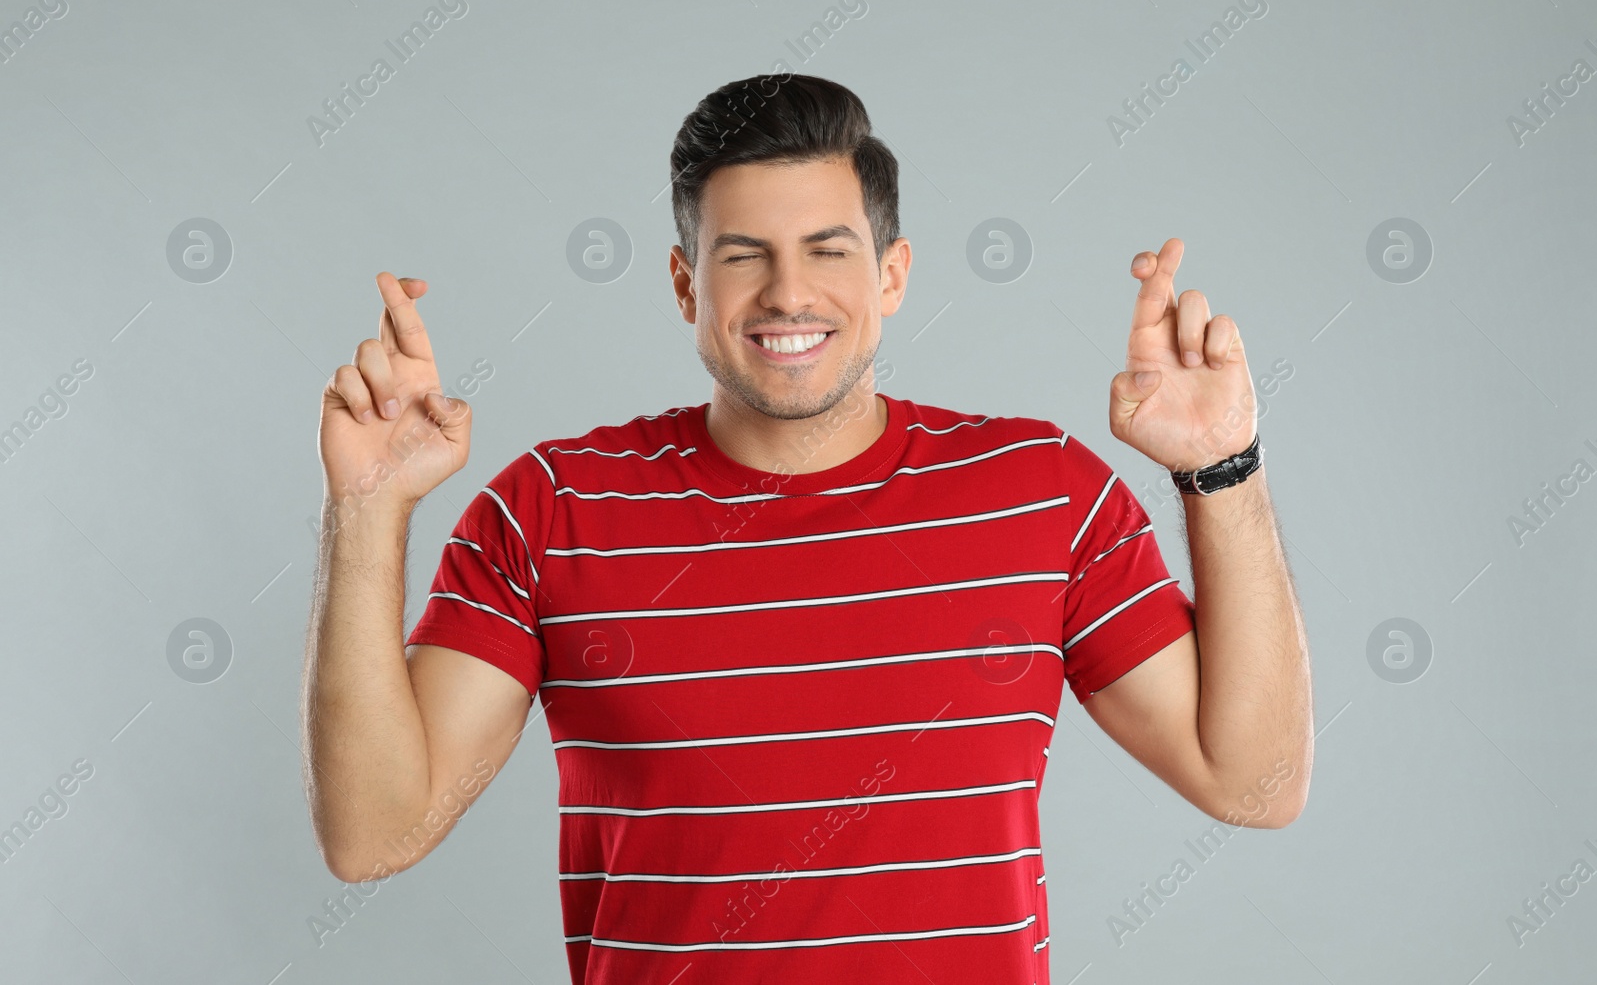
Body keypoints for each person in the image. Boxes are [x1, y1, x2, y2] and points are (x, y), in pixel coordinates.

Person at [301, 73, 1312, 984]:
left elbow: (1253, 780)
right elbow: (373, 833)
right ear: (685, 283)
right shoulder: (555, 509)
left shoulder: (1039, 493)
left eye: (827, 251)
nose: (788, 292)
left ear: (892, 274)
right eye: (744, 256)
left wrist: (1220, 467)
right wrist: (366, 509)